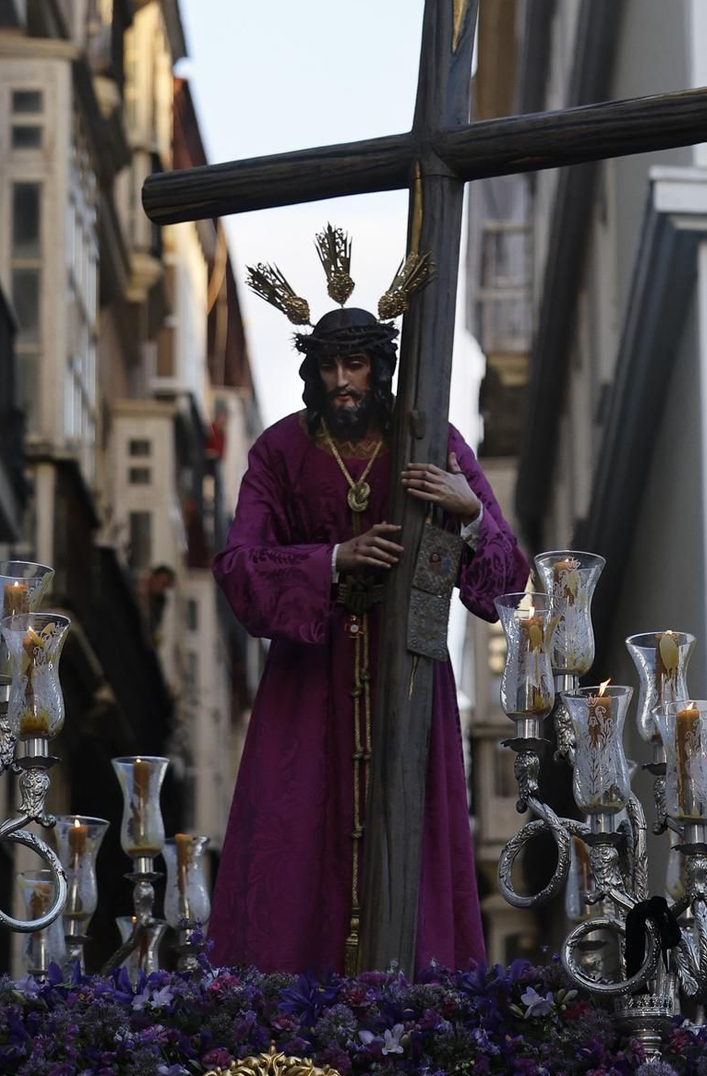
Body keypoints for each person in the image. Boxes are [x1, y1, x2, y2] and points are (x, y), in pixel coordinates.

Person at [210, 234, 528, 976]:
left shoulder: (431, 440)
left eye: (355, 364)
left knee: (409, 837)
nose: (343, 380)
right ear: (313, 372)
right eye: (329, 366)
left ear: (381, 367)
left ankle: (413, 1016)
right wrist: (331, 561)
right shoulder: (279, 451)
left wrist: (467, 510)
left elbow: (508, 583)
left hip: (408, 675)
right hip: (307, 683)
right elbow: (237, 566)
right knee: (295, 836)